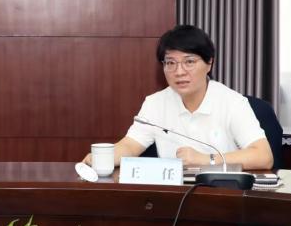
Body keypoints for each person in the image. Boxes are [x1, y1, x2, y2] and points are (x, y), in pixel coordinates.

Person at [85, 25, 273, 170]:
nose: (179, 72)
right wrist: (103, 157)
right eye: (170, 63)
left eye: (189, 62)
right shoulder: (155, 103)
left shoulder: (232, 103)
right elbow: (131, 145)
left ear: (209, 63)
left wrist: (205, 160)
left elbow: (263, 156)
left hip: (222, 196)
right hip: (172, 198)